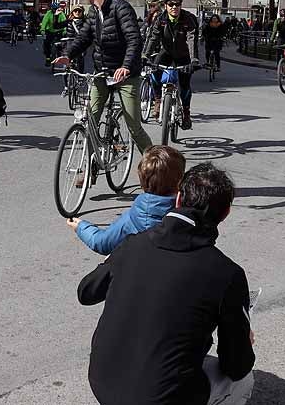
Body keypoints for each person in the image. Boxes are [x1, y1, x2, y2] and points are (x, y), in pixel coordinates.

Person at [78, 162, 255, 405]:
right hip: (160, 397)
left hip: (102, 382)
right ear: (225, 213)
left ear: (178, 198)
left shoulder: (132, 245)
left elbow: (86, 292)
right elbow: (237, 366)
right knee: (244, 382)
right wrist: (243, 339)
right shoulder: (227, 273)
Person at [53, 0, 153, 155]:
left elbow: (134, 40)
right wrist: (67, 55)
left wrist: (126, 66)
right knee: (91, 119)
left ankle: (157, 168)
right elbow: (83, 38)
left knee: (134, 127)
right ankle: (90, 167)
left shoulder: (121, 8)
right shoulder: (93, 11)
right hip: (102, 73)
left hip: (126, 75)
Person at [68, 145, 184, 255]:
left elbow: (101, 242)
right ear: (180, 182)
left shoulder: (132, 218)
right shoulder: (189, 216)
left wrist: (82, 227)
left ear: (142, 183)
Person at [144, 0, 200, 130]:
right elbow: (154, 38)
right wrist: (145, 55)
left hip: (184, 55)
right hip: (167, 52)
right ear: (165, 6)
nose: (174, 7)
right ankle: (157, 100)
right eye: (171, 4)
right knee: (154, 72)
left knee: (185, 85)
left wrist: (193, 60)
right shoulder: (161, 19)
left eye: (177, 4)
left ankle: (186, 113)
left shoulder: (188, 19)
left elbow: (191, 39)